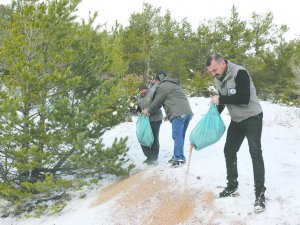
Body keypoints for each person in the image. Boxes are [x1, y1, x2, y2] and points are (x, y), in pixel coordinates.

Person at [206, 54, 266, 213]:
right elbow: (222, 101)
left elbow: (243, 98)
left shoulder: (240, 73)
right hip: (237, 120)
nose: (213, 74)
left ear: (223, 63)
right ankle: (232, 186)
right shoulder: (218, 77)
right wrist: (212, 116)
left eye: (214, 70)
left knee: (255, 152)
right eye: (211, 72)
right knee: (229, 151)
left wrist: (221, 99)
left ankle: (260, 194)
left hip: (253, 117)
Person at [142, 71, 193, 168]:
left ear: (158, 80)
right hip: (187, 113)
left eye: (155, 82)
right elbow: (174, 99)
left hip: (178, 113)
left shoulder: (162, 86)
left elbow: (157, 102)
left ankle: (179, 158)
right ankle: (176, 156)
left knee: (177, 135)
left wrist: (148, 110)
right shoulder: (174, 84)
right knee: (180, 135)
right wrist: (169, 114)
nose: (155, 84)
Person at [137, 82, 163, 165]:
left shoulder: (152, 93)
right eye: (139, 91)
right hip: (145, 120)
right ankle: (149, 156)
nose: (141, 92)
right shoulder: (139, 97)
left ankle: (154, 158)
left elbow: (158, 104)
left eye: (142, 90)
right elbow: (140, 108)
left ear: (146, 88)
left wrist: (149, 110)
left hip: (155, 119)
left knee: (154, 138)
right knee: (142, 137)